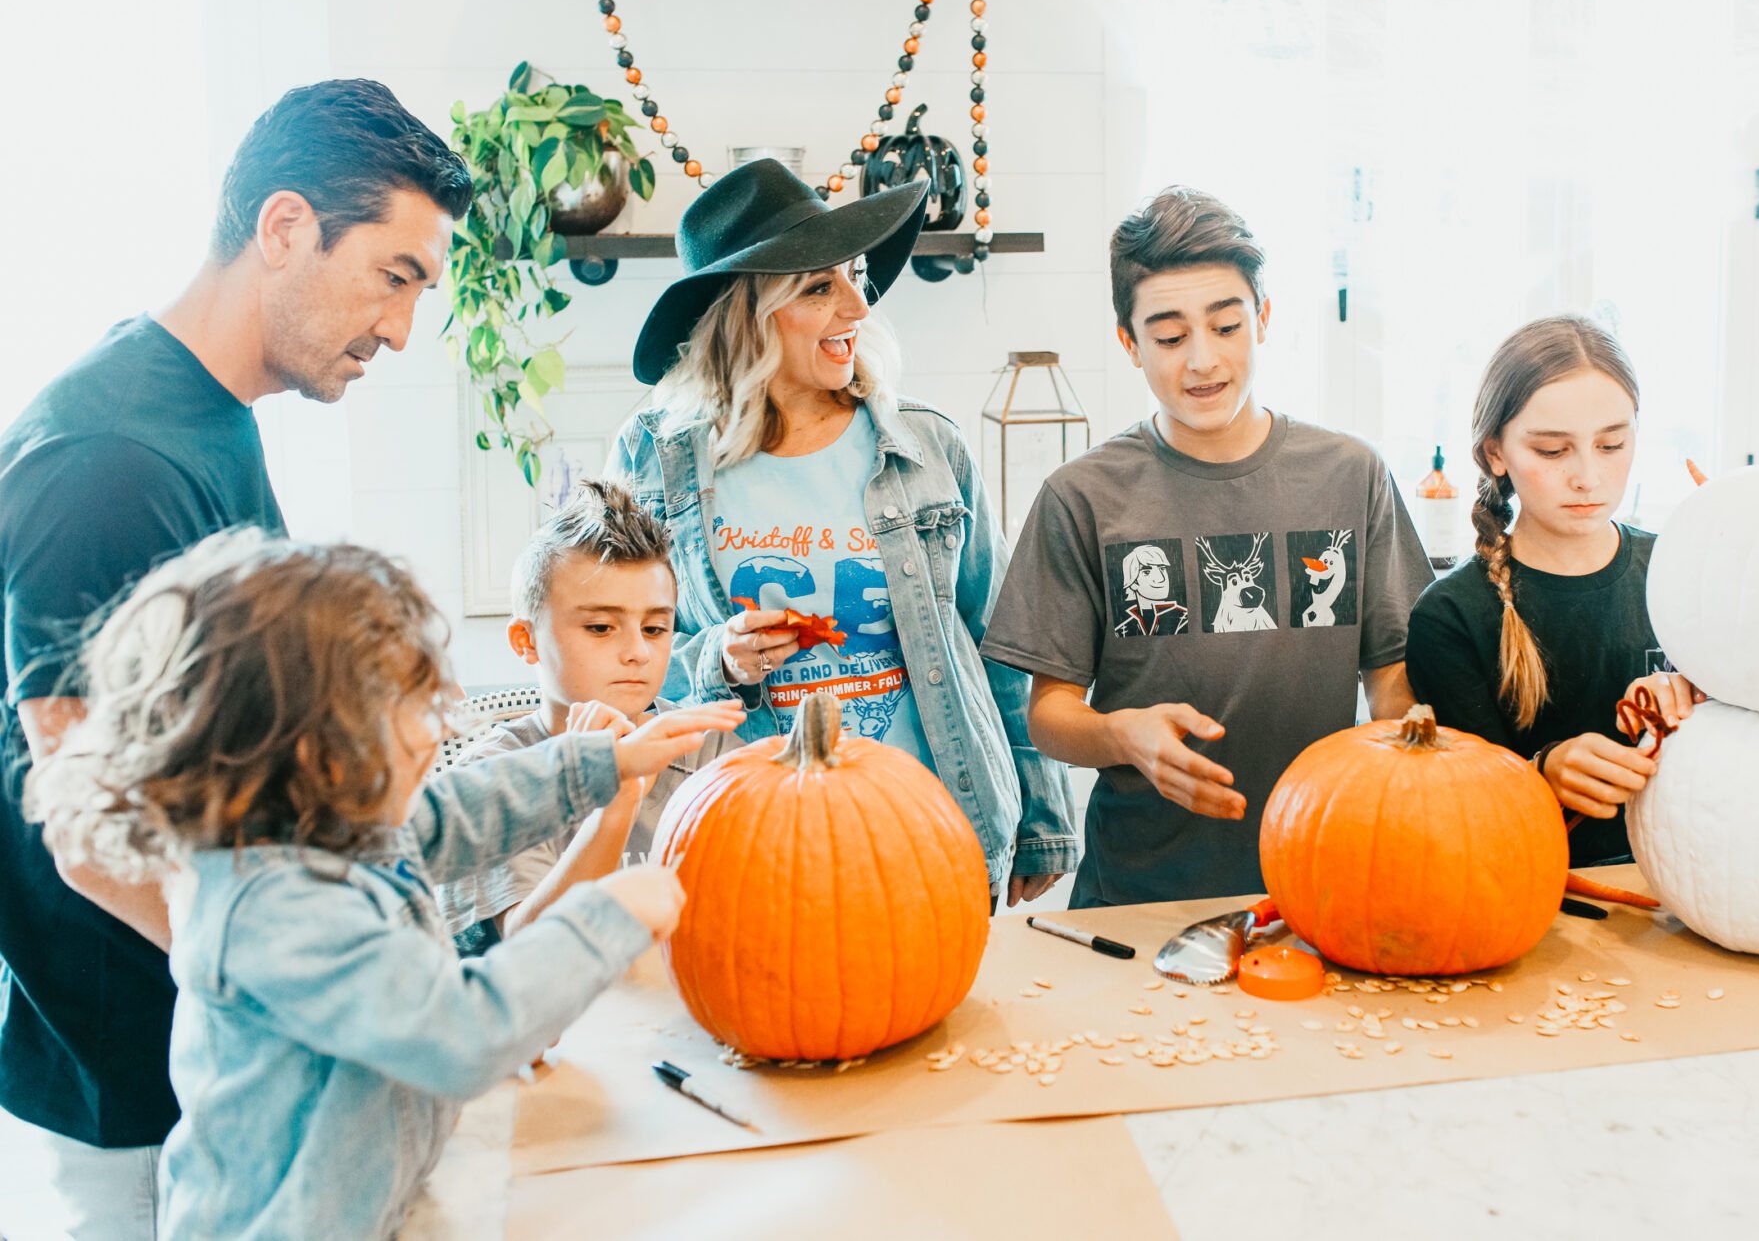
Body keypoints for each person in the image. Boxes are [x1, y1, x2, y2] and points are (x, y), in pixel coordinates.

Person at [0, 78, 471, 1237]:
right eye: (394, 276)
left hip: (204, 1051)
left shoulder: (210, 412)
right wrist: (310, 988)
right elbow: (80, 827)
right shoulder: (110, 459)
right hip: (142, 1084)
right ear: (284, 229)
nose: (402, 329)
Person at [25, 530, 725, 1239]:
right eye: (415, 710)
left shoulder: (324, 827)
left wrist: (605, 761)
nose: (437, 731)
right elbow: (459, 1034)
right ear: (317, 744)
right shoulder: (274, 906)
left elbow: (452, 814)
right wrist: (606, 915)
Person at [608, 158, 1075, 909]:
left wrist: (1045, 816)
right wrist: (717, 660)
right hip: (755, 844)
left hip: (936, 823)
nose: (859, 305)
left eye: (854, 275)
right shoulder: (655, 457)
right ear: (747, 314)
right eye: (820, 288)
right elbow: (620, 653)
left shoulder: (928, 447)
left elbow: (999, 640)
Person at [982, 187, 1434, 908]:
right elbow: (1049, 713)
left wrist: (1418, 739)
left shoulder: (1351, 475)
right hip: (1139, 893)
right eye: (1168, 337)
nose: (1202, 360)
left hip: (1322, 881)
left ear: (1263, 319)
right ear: (1129, 343)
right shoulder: (1083, 496)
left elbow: (1389, 677)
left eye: (1227, 326)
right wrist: (1123, 734)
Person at [1404, 315, 1702, 867]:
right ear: (1496, 452)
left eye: (1611, 444)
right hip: (1531, 897)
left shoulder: (1688, 571)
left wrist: (1701, 700)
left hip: (1691, 891)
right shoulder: (1450, 617)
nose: (1588, 476)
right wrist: (1541, 771)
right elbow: (1463, 804)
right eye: (1552, 451)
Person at [436, 479, 744, 951]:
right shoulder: (492, 779)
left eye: (656, 627)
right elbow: (532, 956)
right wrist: (614, 802)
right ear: (526, 640)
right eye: (601, 627)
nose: (638, 652)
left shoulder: (712, 751)